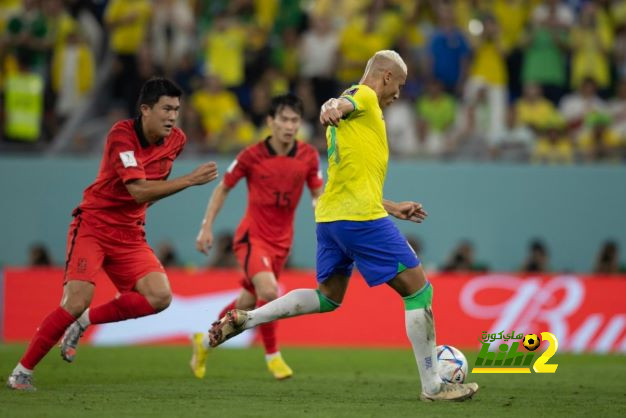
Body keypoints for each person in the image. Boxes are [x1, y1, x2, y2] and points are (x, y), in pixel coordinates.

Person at [207, 51, 479, 402]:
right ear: (385, 77)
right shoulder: (364, 96)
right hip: (359, 218)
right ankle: (433, 387)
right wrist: (330, 106)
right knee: (418, 291)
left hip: (331, 218)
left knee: (328, 297)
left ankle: (249, 317)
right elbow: (342, 102)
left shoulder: (360, 115)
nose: (399, 93)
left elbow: (353, 174)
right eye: (399, 84)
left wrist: (392, 206)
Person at [6, 78, 219, 391]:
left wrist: (141, 214)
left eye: (176, 109)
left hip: (129, 233)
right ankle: (21, 373)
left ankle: (84, 323)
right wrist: (189, 180)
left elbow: (148, 193)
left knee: (159, 297)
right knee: (76, 300)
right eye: (166, 109)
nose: (173, 116)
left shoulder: (177, 140)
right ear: (145, 109)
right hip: (94, 224)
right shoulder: (122, 135)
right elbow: (137, 191)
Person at [191, 94, 324, 380]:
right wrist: (206, 226)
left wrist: (323, 217)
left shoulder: (309, 156)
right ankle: (273, 355)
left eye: (295, 121)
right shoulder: (251, 155)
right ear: (270, 122)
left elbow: (318, 194)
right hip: (253, 239)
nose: (290, 126)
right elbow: (223, 188)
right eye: (284, 119)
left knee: (247, 304)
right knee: (269, 293)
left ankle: (204, 342)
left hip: (281, 243)